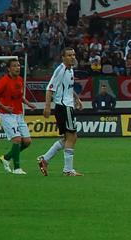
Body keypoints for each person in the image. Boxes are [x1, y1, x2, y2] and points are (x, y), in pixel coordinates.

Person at [37, 47, 84, 176]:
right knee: (71, 137)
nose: (72, 57)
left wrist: (77, 98)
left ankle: (45, 159)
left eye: (73, 55)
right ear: (63, 58)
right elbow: (49, 88)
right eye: (69, 55)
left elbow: (68, 87)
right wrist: (47, 107)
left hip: (67, 106)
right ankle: (67, 170)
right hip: (64, 107)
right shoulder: (61, 70)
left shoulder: (70, 69)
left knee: (69, 138)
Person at [0, 59, 37, 175]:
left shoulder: (20, 80)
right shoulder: (4, 81)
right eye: (14, 66)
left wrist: (28, 103)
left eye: (19, 65)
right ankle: (17, 168)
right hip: (7, 115)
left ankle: (6, 158)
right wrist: (4, 107)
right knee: (17, 139)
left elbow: (19, 96)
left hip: (18, 114)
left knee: (27, 141)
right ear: (9, 69)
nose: (17, 68)